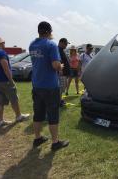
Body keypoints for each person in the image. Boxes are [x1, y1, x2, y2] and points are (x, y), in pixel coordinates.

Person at [29, 21, 69, 151]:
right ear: (49, 31)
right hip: (50, 86)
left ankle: (37, 138)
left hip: (36, 84)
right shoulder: (51, 44)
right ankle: (55, 142)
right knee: (53, 115)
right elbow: (55, 65)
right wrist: (60, 66)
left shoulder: (32, 44)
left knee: (38, 113)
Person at [0, 37, 30, 127]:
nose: (4, 44)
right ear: (0, 43)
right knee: (14, 99)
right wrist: (11, 80)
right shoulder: (1, 53)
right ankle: (19, 116)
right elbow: (6, 68)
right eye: (4, 42)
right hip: (5, 81)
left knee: (0, 102)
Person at [58, 38, 70, 106]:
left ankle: (60, 100)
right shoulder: (58, 50)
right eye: (65, 44)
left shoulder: (61, 50)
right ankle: (59, 101)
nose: (66, 45)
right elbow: (59, 61)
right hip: (61, 73)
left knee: (62, 88)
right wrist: (60, 70)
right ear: (61, 42)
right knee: (60, 88)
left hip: (64, 73)